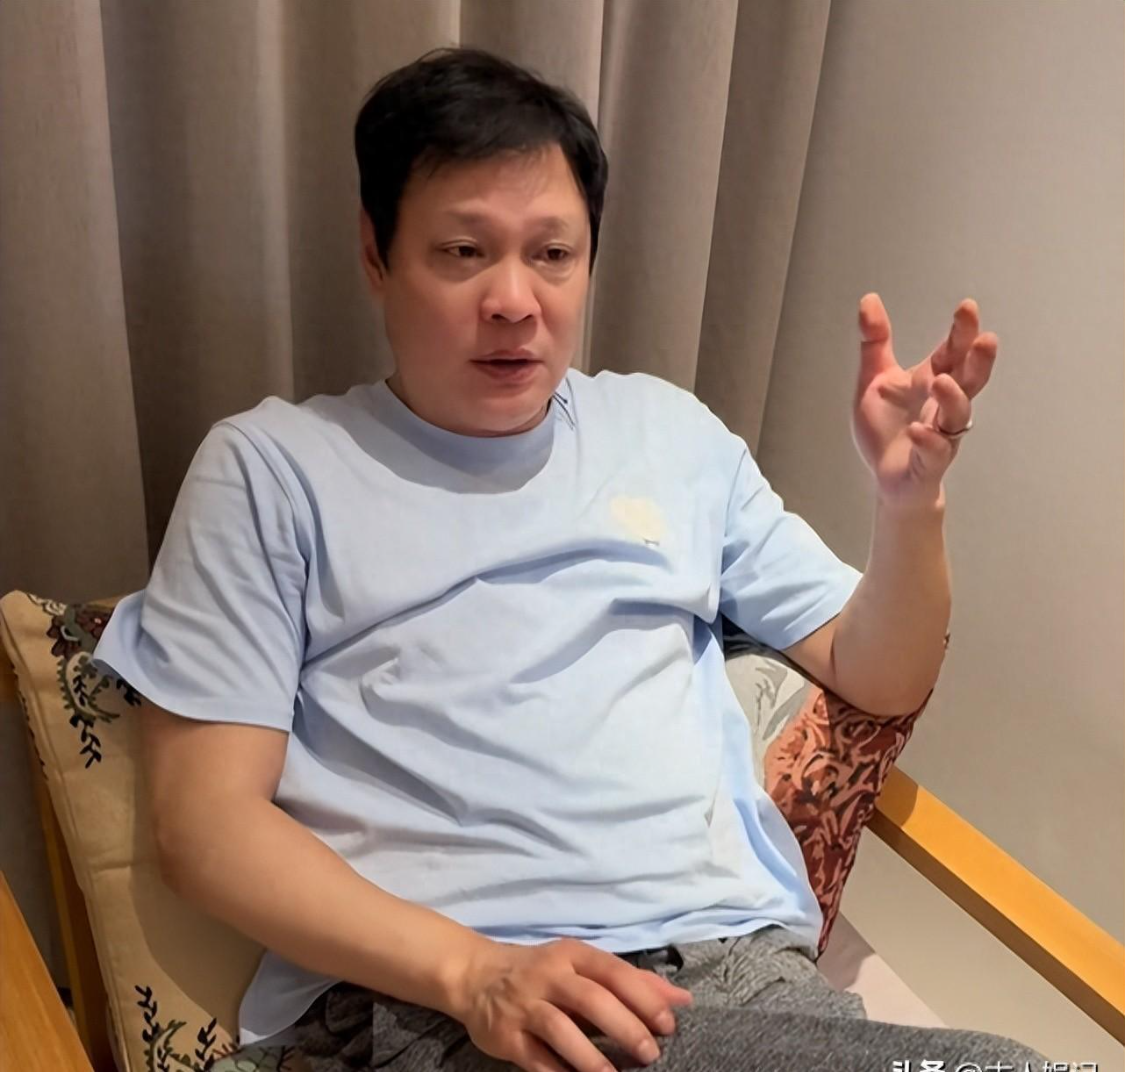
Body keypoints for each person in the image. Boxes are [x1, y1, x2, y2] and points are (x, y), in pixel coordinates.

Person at [91, 45, 1047, 1072]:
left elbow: (880, 673)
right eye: (463, 252)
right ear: (376, 253)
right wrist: (472, 972)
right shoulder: (274, 470)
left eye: (553, 254)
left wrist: (908, 506)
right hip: (432, 1001)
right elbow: (204, 825)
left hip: (735, 978)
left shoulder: (670, 436)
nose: (515, 300)